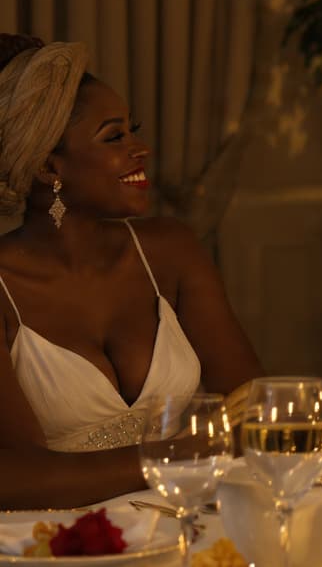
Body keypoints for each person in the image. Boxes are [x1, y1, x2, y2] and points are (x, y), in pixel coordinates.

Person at [0, 34, 263, 508]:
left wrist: (186, 459)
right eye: (115, 136)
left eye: (132, 129)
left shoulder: (170, 251)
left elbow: (253, 408)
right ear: (46, 165)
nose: (140, 149)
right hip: (52, 543)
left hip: (188, 520)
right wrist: (176, 454)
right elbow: (16, 476)